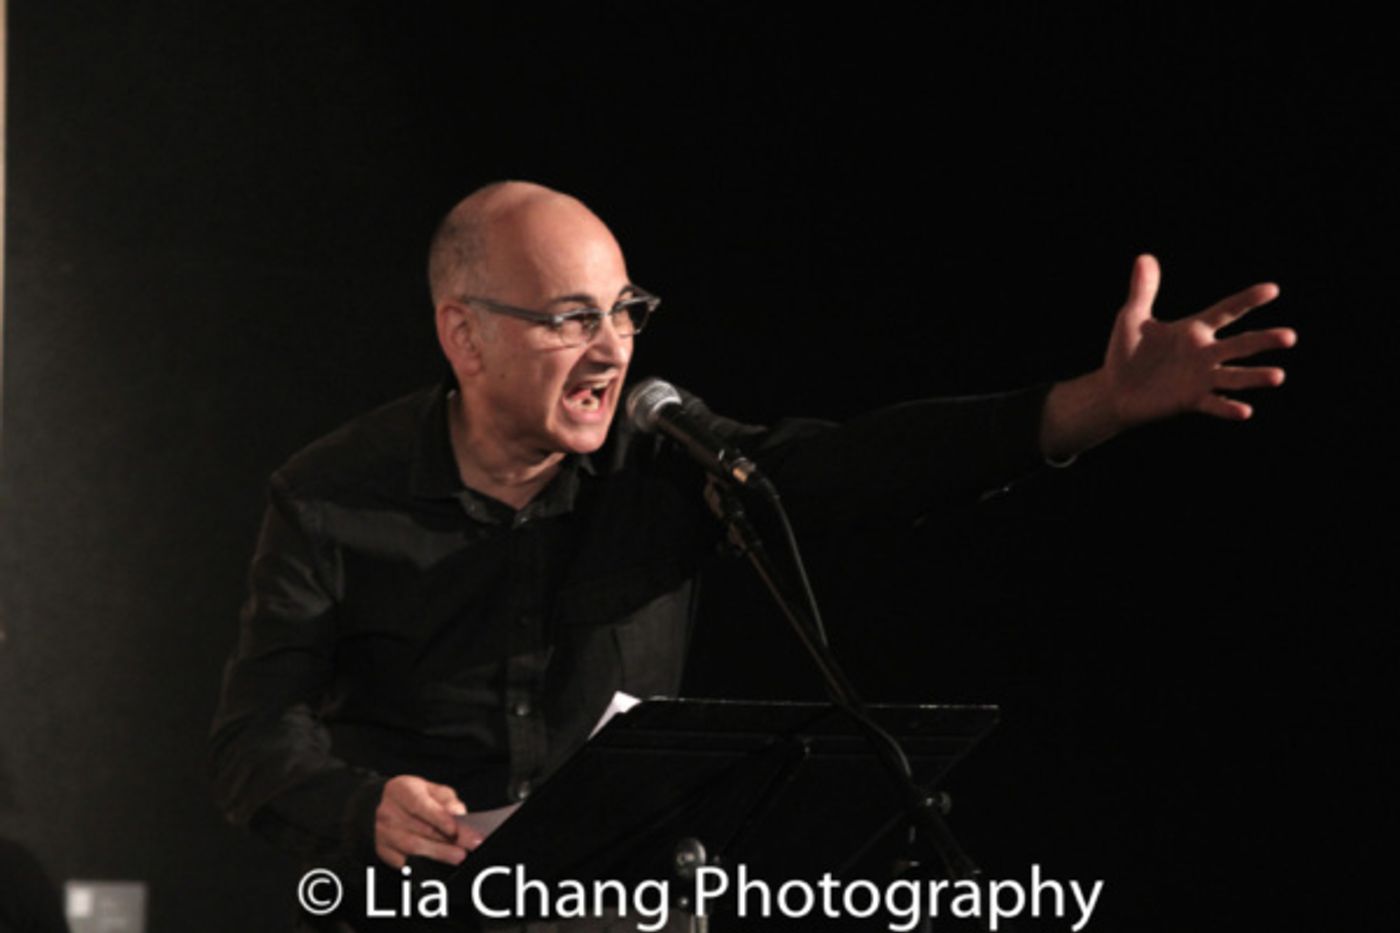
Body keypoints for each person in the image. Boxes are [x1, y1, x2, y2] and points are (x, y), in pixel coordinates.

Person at [208, 181, 1294, 929]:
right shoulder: (330, 494)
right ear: (463, 334)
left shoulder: (661, 457)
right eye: (569, 318)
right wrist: (365, 807)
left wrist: (1094, 405)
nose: (611, 350)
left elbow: (860, 467)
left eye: (624, 312)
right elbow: (253, 742)